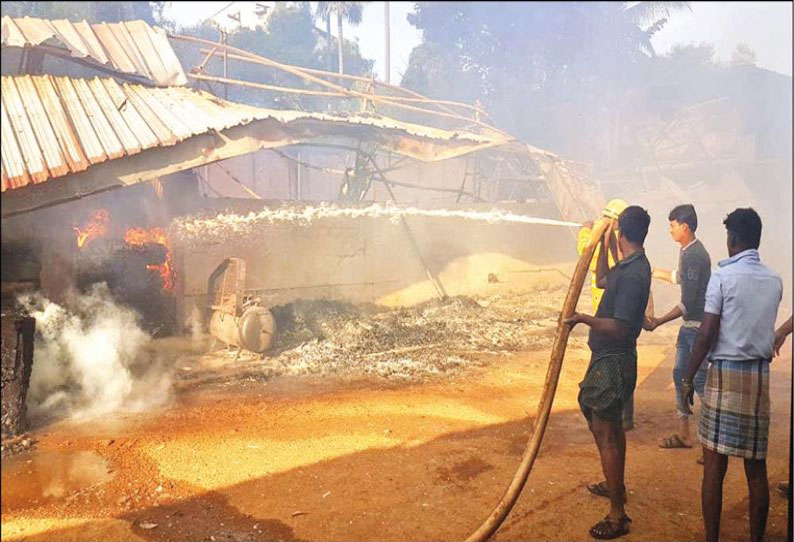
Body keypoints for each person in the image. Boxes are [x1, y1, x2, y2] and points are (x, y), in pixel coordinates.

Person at [680, 208, 782, 542]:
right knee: (756, 469)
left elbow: (707, 333)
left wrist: (688, 377)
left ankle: (712, 538)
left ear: (733, 239)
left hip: (724, 375)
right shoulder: (774, 281)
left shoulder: (722, 278)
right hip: (757, 378)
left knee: (714, 468)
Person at [566, 206, 652, 539]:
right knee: (609, 429)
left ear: (622, 233)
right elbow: (602, 278)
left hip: (614, 360)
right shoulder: (627, 267)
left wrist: (583, 319)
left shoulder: (633, 274)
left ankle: (617, 516)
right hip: (607, 359)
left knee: (606, 434)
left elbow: (620, 327)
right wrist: (602, 241)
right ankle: (615, 484)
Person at [644, 204, 711, 456]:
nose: (669, 230)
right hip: (690, 327)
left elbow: (689, 302)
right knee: (680, 375)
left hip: (696, 327)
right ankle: (684, 433)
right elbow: (680, 278)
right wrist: (653, 271)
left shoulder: (694, 255)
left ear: (685, 226)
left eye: (672, 225)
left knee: (700, 380)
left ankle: (712, 445)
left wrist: (659, 320)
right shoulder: (688, 251)